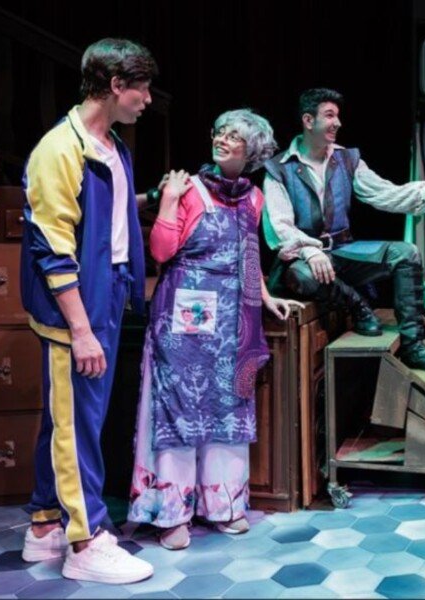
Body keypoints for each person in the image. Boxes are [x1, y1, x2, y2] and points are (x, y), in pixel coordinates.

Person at [127, 109, 302, 550]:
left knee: (227, 408)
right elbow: (161, 251)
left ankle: (223, 505)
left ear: (252, 149)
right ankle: (171, 513)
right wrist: (169, 201)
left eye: (232, 136)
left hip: (232, 321)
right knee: (179, 409)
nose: (221, 140)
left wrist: (265, 296)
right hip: (183, 317)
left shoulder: (254, 198)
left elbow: (249, 255)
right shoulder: (190, 189)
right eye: (219, 132)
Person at [19, 38, 156, 584]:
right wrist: (79, 328)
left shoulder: (111, 145)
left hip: (108, 292)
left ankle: (45, 524)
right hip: (75, 306)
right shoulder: (60, 149)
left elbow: (107, 215)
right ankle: (85, 539)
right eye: (142, 88)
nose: (148, 99)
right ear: (116, 86)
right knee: (77, 425)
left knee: (69, 417)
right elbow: (51, 247)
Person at [262, 88, 425, 372]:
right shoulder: (279, 169)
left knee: (406, 253)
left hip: (344, 250)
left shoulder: (346, 159)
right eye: (329, 116)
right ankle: (357, 305)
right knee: (303, 275)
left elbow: (384, 193)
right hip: (304, 258)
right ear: (308, 121)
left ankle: (413, 347)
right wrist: (310, 250)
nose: (337, 123)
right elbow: (279, 226)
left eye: (337, 116)